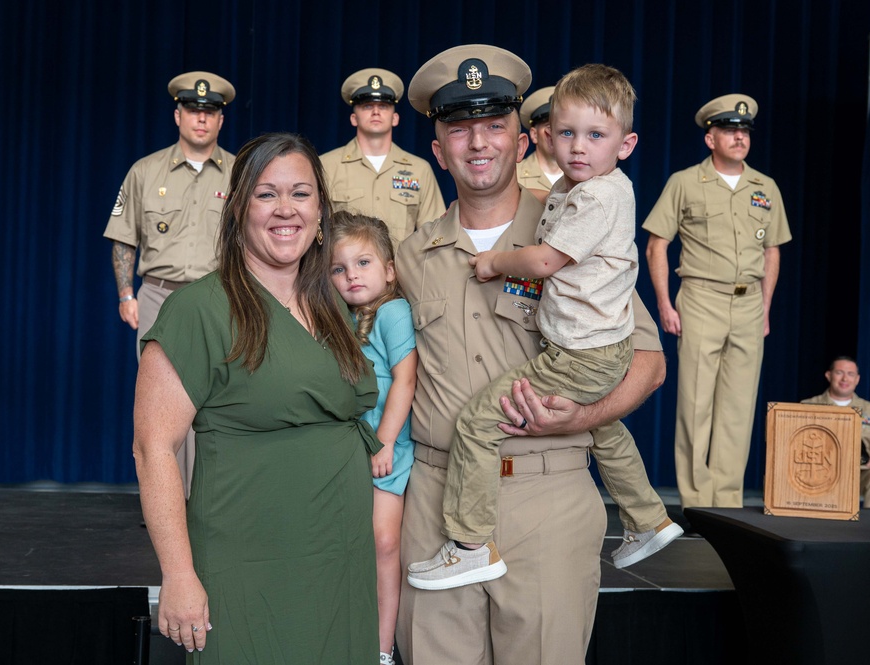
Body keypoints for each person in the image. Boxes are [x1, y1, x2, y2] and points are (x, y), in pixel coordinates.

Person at [395, 44, 669, 664]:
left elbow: (649, 364)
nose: (479, 144)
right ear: (438, 151)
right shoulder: (408, 256)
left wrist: (582, 417)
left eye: (495, 126)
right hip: (437, 503)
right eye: (460, 131)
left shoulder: (577, 230)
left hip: (546, 496)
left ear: (523, 141)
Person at [133, 133, 382, 663]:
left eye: (301, 193)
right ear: (238, 209)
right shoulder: (198, 310)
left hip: (339, 555)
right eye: (266, 194)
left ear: (320, 210)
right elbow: (153, 448)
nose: (285, 209)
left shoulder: (334, 303)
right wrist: (178, 575)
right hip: (247, 559)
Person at [643, 94, 792, 509]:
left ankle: (727, 501)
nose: (739, 137)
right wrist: (665, 305)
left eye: (744, 131)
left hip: (748, 304)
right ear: (711, 138)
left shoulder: (765, 187)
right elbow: (657, 245)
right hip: (701, 298)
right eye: (729, 130)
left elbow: (773, 251)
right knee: (695, 403)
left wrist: (764, 308)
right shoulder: (685, 182)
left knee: (739, 407)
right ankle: (696, 500)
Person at [104, 71, 236, 497]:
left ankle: (204, 502)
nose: (202, 119)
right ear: (178, 114)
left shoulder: (239, 173)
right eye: (194, 110)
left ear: (220, 120)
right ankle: (165, 500)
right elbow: (124, 238)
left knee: (214, 401)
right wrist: (127, 295)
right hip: (158, 295)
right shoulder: (145, 171)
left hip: (219, 298)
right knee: (159, 405)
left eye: (210, 112)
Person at [329, 212, 418, 665]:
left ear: (389, 270)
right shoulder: (341, 316)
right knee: (350, 546)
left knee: (384, 543)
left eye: (363, 263)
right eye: (339, 269)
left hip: (386, 448)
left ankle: (382, 649)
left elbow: (405, 380)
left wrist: (383, 441)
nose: (352, 276)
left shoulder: (393, 311)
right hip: (347, 449)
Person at [320, 68, 446, 250]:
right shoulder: (327, 166)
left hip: (401, 274)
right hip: (345, 273)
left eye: (383, 106)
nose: (376, 112)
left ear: (395, 118)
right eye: (367, 106)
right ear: (354, 118)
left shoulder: (419, 169)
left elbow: (435, 233)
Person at [800, 356, 870, 508]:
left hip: (860, 470)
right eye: (839, 372)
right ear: (828, 375)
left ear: (857, 379)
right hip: (820, 472)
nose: (845, 378)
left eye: (850, 374)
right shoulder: (808, 405)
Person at [517, 86, 562, 194]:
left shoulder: (586, 174)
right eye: (549, 127)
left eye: (563, 128)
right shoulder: (513, 176)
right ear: (534, 135)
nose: (555, 134)